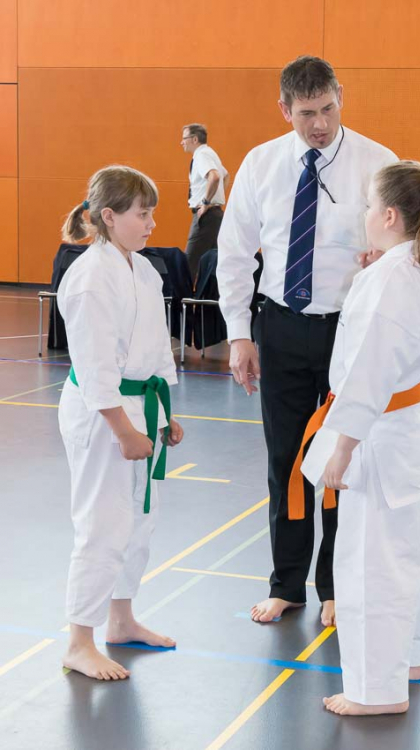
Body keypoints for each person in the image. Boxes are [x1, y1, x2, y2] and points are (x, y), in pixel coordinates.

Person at [216, 55, 397, 626]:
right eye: (305, 113)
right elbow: (234, 252)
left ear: (341, 97)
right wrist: (239, 334)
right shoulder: (261, 163)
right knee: (286, 461)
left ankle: (336, 586)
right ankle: (287, 584)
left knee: (343, 462)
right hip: (281, 325)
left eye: (327, 109)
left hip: (350, 328)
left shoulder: (379, 163)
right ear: (284, 109)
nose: (319, 124)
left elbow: (406, 245)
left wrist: (384, 257)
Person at [300, 161, 420, 715]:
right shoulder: (416, 266)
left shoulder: (393, 278)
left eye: (371, 205)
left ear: (391, 216)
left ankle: (375, 691)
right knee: (408, 555)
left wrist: (343, 445)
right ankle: (407, 661)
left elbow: (369, 370)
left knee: (370, 564)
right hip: (409, 427)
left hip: (380, 434)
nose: (366, 213)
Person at [58, 165, 184, 681]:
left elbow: (156, 346)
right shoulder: (90, 279)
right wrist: (123, 429)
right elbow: (94, 369)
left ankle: (121, 619)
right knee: (102, 523)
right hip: (101, 413)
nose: (152, 223)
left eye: (152, 212)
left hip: (142, 407)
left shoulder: (144, 270)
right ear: (108, 217)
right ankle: (78, 641)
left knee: (137, 520)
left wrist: (166, 415)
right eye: (142, 214)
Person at [182, 123, 229, 281]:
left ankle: (183, 297)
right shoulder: (210, 153)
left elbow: (215, 176)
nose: (182, 142)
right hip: (215, 214)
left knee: (188, 264)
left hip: (206, 215)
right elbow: (225, 176)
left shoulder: (201, 155)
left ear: (195, 139)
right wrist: (216, 199)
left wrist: (206, 202)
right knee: (212, 265)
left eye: (184, 138)